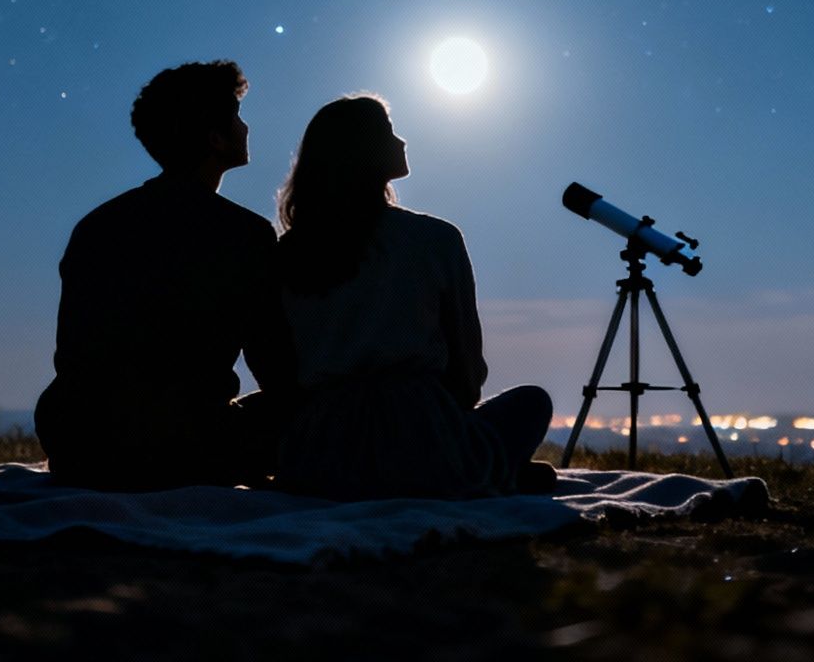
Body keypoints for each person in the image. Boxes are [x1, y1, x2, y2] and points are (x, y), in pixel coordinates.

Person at [272, 94, 554, 500]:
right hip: (423, 435)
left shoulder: (291, 251)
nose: (401, 141)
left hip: (322, 448)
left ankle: (486, 469)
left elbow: (281, 367)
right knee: (532, 403)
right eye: (389, 132)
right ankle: (484, 469)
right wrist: (444, 426)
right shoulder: (434, 239)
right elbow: (466, 371)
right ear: (364, 150)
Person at [35, 60, 296, 490]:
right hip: (182, 446)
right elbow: (274, 363)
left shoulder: (97, 226)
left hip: (78, 441)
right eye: (236, 116)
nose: (246, 127)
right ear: (214, 138)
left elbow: (73, 356)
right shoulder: (245, 235)